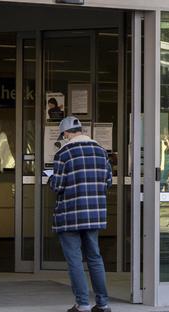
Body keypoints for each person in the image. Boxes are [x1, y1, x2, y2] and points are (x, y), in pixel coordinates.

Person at [49, 116, 112, 312]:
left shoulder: (63, 153)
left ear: (66, 133)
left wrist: (49, 180)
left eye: (64, 134)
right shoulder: (101, 152)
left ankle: (82, 303)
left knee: (75, 260)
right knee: (95, 257)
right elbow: (108, 181)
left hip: (70, 214)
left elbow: (57, 185)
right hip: (94, 214)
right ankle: (103, 304)